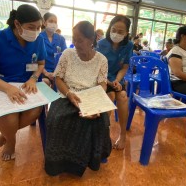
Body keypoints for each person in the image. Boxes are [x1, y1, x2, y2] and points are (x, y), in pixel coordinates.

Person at [0, 4, 46, 161]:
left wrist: (33, 78)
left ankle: (6, 134)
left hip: (26, 84)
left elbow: (41, 64)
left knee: (35, 111)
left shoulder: (38, 40)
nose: (35, 32)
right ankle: (11, 140)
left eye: (38, 27)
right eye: (31, 27)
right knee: (9, 117)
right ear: (17, 24)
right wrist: (7, 88)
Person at [45, 21, 111, 176]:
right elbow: (58, 79)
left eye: (79, 40)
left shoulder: (102, 60)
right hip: (67, 95)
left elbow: (102, 84)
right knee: (56, 118)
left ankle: (89, 159)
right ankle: (60, 163)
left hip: (90, 97)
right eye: (74, 39)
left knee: (100, 120)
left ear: (91, 40)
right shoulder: (68, 54)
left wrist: (93, 105)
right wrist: (69, 94)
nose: (75, 43)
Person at [97, 15, 133, 150]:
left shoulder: (128, 45)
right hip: (101, 79)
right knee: (110, 97)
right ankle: (104, 135)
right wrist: (107, 81)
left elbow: (124, 67)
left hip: (117, 78)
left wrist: (117, 81)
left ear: (126, 33)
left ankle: (123, 135)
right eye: (114, 29)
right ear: (109, 28)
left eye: (120, 32)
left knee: (123, 97)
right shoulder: (101, 44)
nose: (116, 34)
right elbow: (96, 68)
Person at [40, 12, 67, 86]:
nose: (53, 24)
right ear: (44, 23)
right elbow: (33, 60)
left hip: (59, 73)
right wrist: (46, 73)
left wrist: (57, 73)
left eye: (55, 22)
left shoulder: (61, 39)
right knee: (45, 83)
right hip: (42, 72)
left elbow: (65, 57)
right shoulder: (38, 38)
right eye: (51, 21)